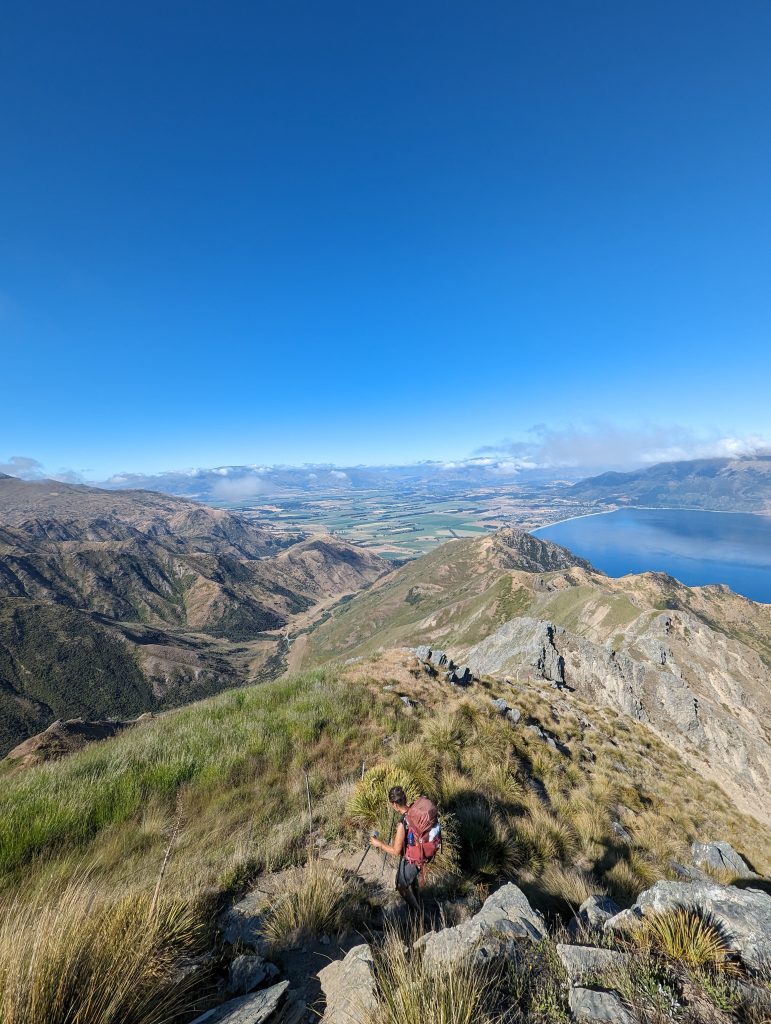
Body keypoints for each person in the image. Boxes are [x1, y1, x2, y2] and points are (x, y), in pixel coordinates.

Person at [369, 785, 440, 911]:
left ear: (395, 805)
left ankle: (419, 915)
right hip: (424, 852)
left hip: (415, 857)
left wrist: (379, 844)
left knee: (401, 886)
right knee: (411, 880)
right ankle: (418, 904)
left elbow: (396, 851)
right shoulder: (413, 810)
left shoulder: (403, 823)